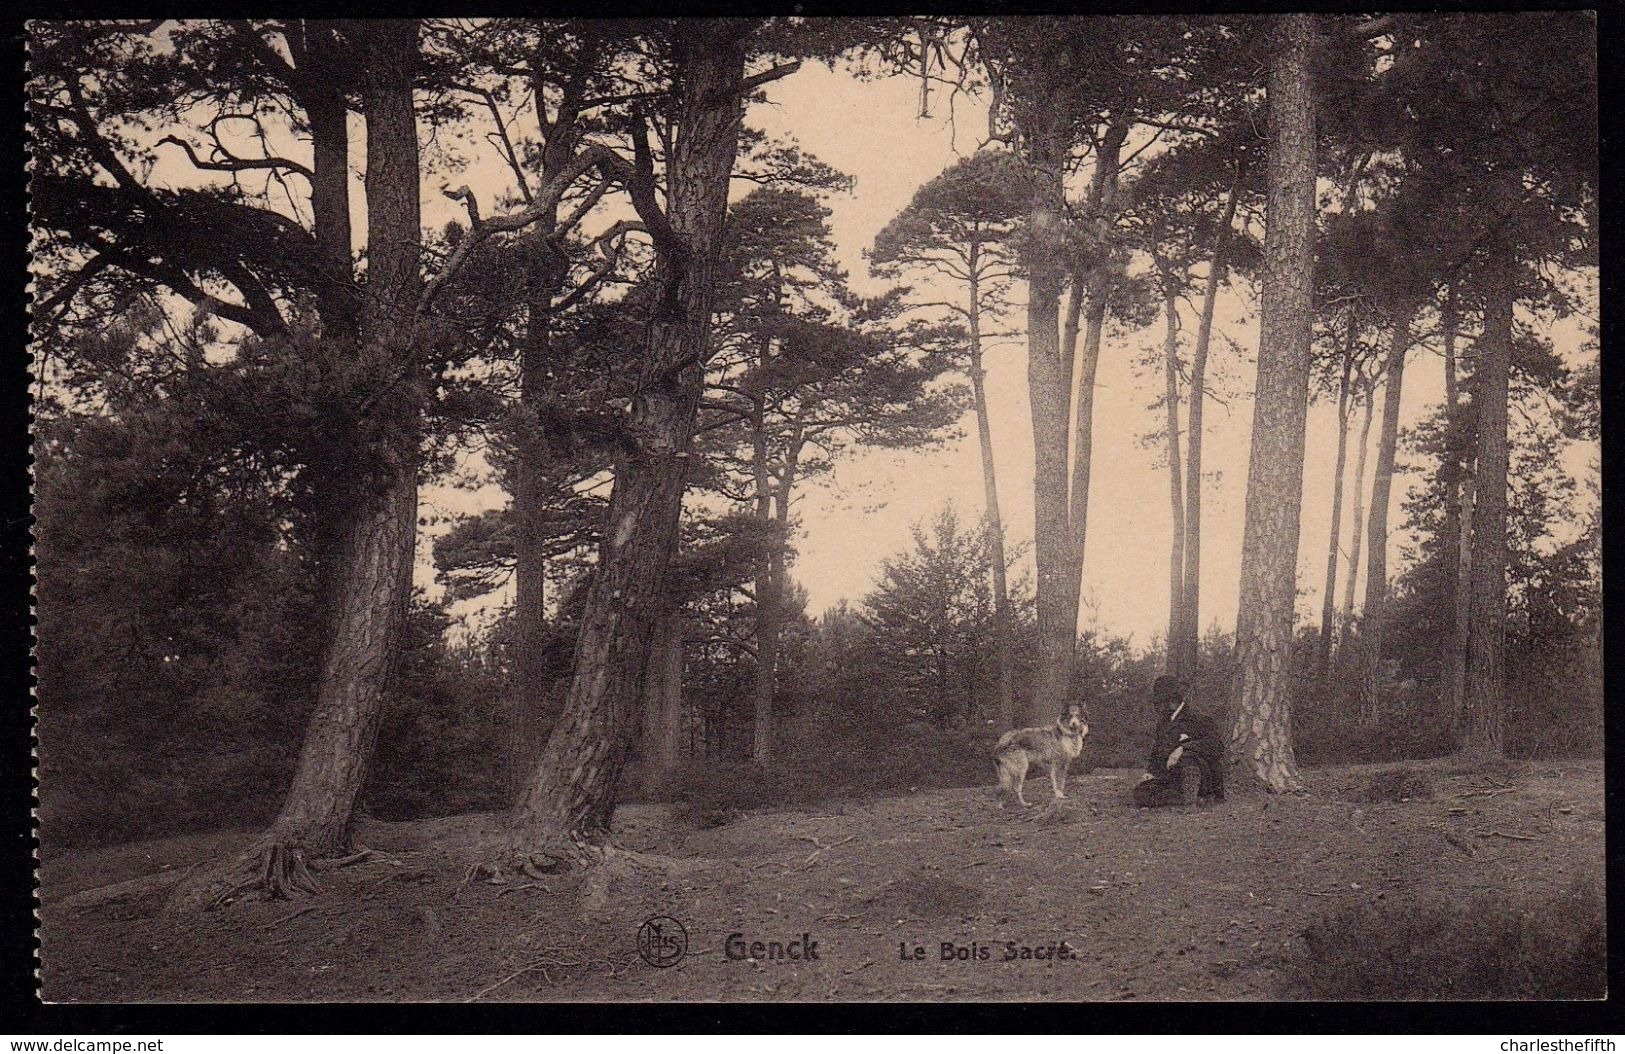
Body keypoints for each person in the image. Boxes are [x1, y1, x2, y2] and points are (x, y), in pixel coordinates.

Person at [1132, 674, 1225, 807]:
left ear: (1170, 701)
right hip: (1171, 777)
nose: (1157, 706)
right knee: (1141, 793)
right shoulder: (1163, 723)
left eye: (1159, 702)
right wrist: (1150, 773)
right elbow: (1157, 753)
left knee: (1188, 758)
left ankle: (1197, 795)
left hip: (1201, 775)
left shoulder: (1197, 718)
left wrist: (1182, 749)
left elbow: (1216, 745)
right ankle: (1182, 798)